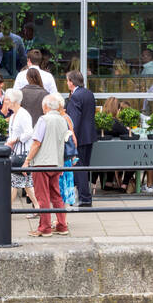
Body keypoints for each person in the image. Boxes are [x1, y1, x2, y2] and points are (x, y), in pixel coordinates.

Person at [25, 92, 69, 237]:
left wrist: (27, 161)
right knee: (56, 195)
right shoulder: (63, 120)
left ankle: (44, 227)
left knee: (42, 196)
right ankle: (62, 225)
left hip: (42, 163)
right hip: (57, 163)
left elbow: (36, 142)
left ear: (45, 106)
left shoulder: (43, 119)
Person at [64, 70, 98, 208]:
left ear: (71, 82)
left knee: (79, 168)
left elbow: (74, 120)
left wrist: (72, 137)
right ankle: (84, 196)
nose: (67, 83)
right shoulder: (89, 93)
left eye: (67, 80)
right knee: (84, 166)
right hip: (90, 135)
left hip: (80, 137)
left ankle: (85, 198)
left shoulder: (75, 96)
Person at [2, 88, 38, 216]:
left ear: (13, 101)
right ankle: (38, 208)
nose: (5, 101)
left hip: (22, 153)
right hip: (16, 153)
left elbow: (29, 132)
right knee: (25, 183)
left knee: (15, 182)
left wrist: (14, 140)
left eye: (7, 99)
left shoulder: (23, 114)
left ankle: (5, 210)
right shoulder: (14, 115)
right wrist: (10, 142)